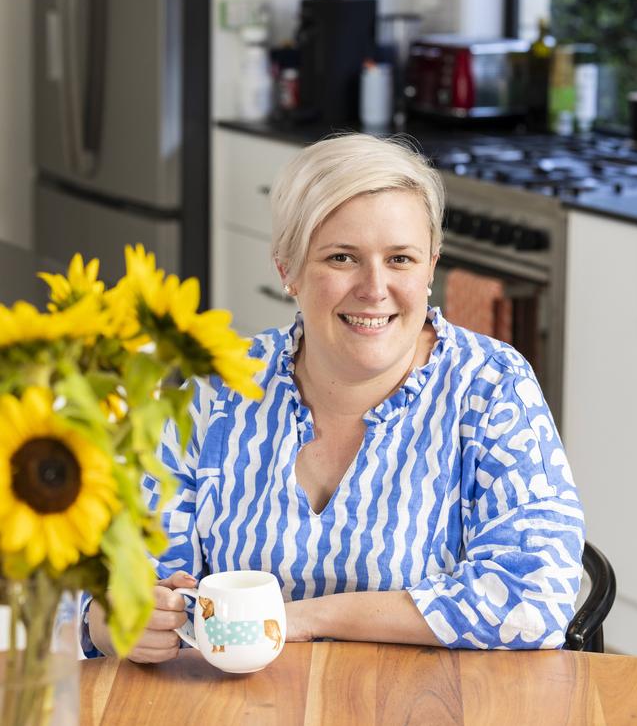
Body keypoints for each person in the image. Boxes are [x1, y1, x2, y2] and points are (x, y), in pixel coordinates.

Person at [84, 133, 585, 660]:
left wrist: (299, 619)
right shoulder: (217, 391)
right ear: (287, 269)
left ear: (432, 266)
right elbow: (129, 576)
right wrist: (115, 619)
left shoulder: (492, 387)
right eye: (342, 257)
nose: (373, 288)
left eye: (401, 259)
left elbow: (534, 601)